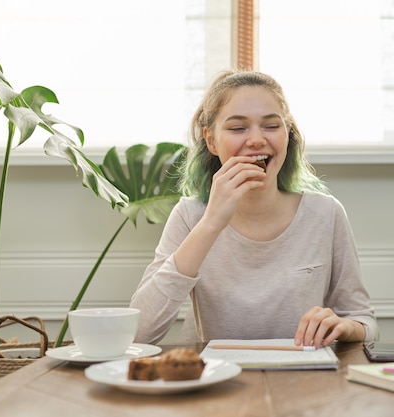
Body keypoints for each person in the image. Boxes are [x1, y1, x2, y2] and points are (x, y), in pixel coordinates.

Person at [130, 70, 379, 349]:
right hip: (212, 381)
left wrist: (343, 327)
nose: (257, 140)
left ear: (288, 135)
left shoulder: (325, 214)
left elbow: (364, 323)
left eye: (271, 126)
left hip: (304, 381)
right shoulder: (190, 215)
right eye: (238, 128)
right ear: (211, 140)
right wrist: (211, 223)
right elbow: (139, 335)